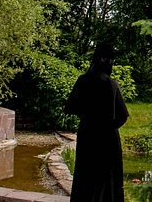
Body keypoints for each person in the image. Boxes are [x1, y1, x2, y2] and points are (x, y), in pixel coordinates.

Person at [65, 42, 129, 201]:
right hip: (108, 138)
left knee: (85, 176)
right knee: (108, 178)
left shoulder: (82, 81)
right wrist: (109, 127)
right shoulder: (111, 85)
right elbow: (122, 115)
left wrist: (88, 116)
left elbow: (71, 107)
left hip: (87, 135)